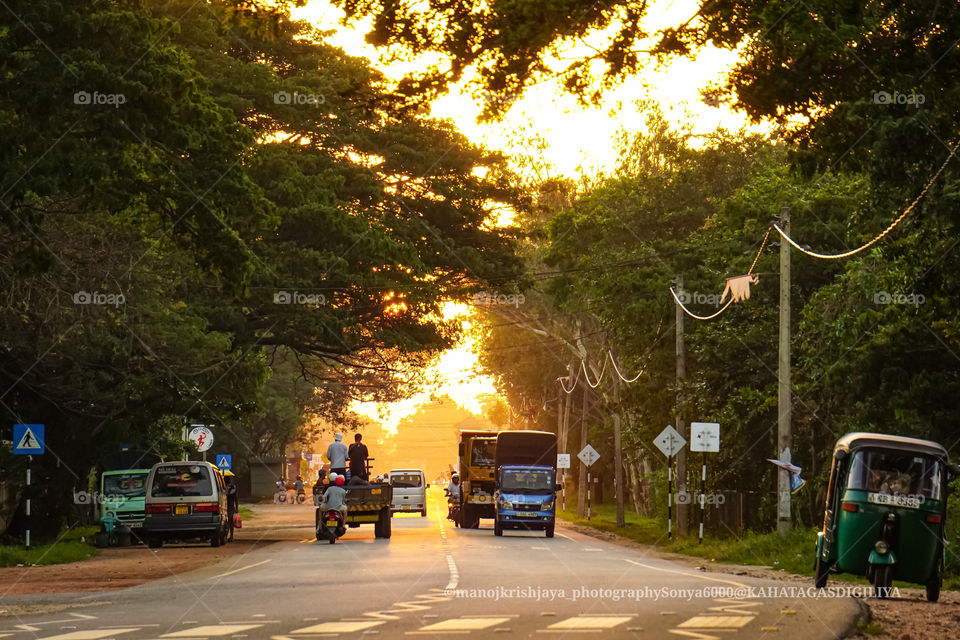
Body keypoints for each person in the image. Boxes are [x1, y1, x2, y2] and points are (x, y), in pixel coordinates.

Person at [223, 470, 239, 541]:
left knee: (227, 522)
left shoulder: (223, 487)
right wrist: (237, 508)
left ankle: (227, 536)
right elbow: (236, 499)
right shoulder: (233, 488)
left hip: (226, 506)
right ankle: (230, 536)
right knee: (230, 522)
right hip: (230, 506)